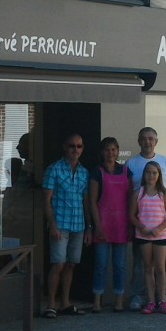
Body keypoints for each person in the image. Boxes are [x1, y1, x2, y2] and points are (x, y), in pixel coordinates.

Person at [42, 134, 92, 319]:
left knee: (71, 264)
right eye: (72, 146)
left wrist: (89, 227)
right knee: (58, 264)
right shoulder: (53, 169)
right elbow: (46, 201)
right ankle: (51, 304)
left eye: (79, 146)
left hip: (78, 225)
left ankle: (65, 302)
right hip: (60, 224)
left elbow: (86, 202)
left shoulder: (84, 172)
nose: (75, 150)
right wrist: (52, 225)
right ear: (65, 147)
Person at [125, 127, 166, 311]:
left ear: (156, 141)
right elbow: (129, 194)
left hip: (160, 229)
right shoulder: (131, 163)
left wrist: (161, 219)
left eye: (151, 138)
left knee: (162, 266)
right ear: (139, 140)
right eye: (144, 138)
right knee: (141, 264)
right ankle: (141, 296)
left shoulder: (165, 161)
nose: (148, 141)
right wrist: (138, 224)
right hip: (142, 226)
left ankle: (163, 296)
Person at [89, 137, 132, 312]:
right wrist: (97, 225)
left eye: (113, 149)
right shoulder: (96, 172)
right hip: (103, 224)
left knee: (120, 265)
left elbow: (131, 199)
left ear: (118, 151)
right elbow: (92, 200)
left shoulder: (126, 171)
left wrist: (131, 223)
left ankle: (119, 301)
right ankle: (97, 301)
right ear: (102, 152)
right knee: (100, 264)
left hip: (121, 224)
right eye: (107, 149)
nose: (110, 153)